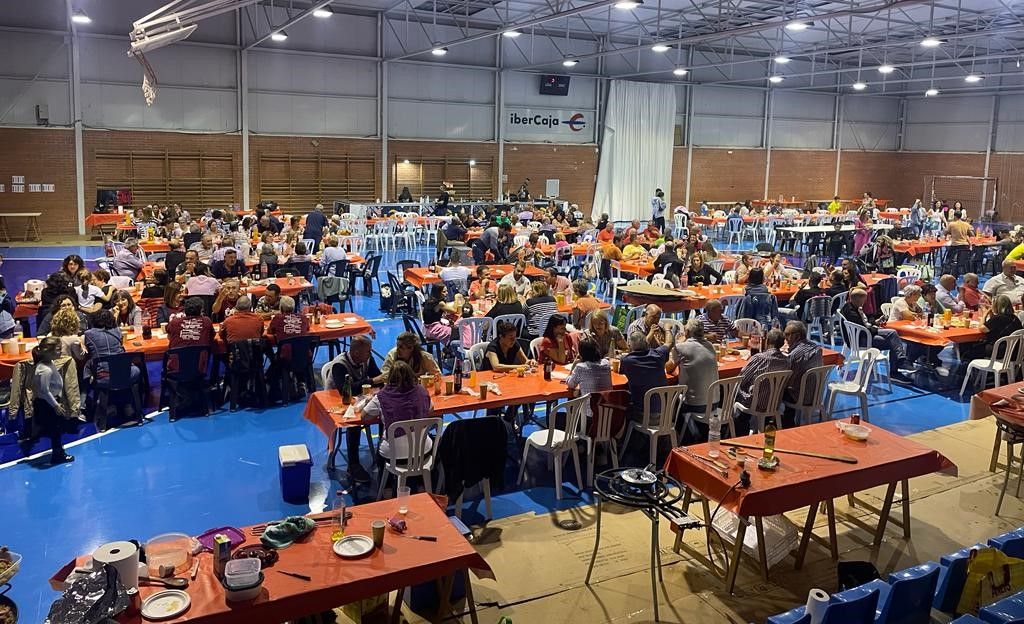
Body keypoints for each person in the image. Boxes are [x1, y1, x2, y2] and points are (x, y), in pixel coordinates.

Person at [328, 335, 381, 483]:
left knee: (386, 412)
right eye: (368, 351)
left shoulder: (367, 359)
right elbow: (345, 390)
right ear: (357, 353)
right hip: (338, 403)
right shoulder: (339, 364)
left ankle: (382, 453)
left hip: (359, 399)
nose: (370, 354)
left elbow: (378, 377)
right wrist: (371, 381)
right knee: (354, 422)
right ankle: (353, 464)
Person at [361, 360, 433, 460]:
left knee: (380, 453)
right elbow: (430, 409)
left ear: (390, 377)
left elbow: (364, 416)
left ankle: (382, 469)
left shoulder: (382, 396)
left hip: (395, 454)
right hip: (423, 450)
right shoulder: (422, 391)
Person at [840, 288, 914, 382]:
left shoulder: (852, 307)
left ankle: (900, 361)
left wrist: (876, 322)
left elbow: (865, 323)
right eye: (864, 300)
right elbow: (863, 329)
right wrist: (876, 328)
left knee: (893, 336)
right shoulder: (851, 312)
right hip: (860, 340)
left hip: (863, 336)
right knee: (893, 340)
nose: (865, 302)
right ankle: (897, 368)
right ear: (858, 299)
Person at [733, 329, 790, 435]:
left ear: (767, 341)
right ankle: (762, 424)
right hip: (774, 402)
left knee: (732, 389)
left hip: (755, 403)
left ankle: (738, 427)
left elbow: (741, 378)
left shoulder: (759, 358)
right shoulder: (786, 361)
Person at [29, 337, 76, 464]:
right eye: (58, 350)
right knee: (56, 430)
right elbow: (44, 391)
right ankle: (57, 454)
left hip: (51, 400)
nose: (61, 352)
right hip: (48, 403)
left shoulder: (49, 364)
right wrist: (55, 405)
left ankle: (58, 451)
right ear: (48, 352)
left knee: (57, 429)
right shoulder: (45, 370)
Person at [667, 320, 718, 435]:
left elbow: (668, 368)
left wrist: (679, 343)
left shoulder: (681, 347)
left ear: (687, 332)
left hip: (694, 405)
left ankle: (680, 434)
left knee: (671, 396)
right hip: (715, 403)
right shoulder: (710, 346)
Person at [618, 330, 671, 420]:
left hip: (642, 415)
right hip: (666, 414)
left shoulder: (627, 360)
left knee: (623, 405)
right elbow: (669, 343)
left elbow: (620, 374)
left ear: (630, 346)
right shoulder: (659, 354)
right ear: (647, 343)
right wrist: (667, 329)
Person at [781, 321, 822, 428]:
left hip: (800, 396)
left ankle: (780, 422)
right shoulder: (816, 348)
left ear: (797, 336)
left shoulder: (795, 355)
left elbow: (787, 380)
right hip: (816, 394)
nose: (785, 338)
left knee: (773, 389)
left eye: (787, 334)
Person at [962, 295, 1023, 362]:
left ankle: (968, 366)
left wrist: (985, 314)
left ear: (996, 306)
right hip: (1015, 352)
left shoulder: (998, 318)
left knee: (968, 351)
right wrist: (991, 313)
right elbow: (994, 324)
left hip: (1000, 351)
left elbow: (981, 328)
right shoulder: (1015, 318)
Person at [376, 332, 441, 384]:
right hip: (398, 388)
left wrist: (429, 379)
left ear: (411, 348)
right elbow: (384, 376)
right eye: (397, 346)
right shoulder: (392, 355)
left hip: (418, 388)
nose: (397, 349)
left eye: (401, 347)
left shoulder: (424, 356)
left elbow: (437, 374)